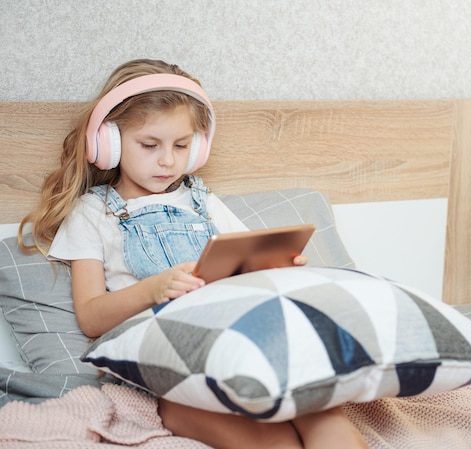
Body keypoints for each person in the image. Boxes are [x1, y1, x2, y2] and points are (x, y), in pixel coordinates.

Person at [18, 59, 369, 449]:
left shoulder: (204, 203)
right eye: (150, 145)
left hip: (233, 336)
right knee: (186, 410)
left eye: (181, 145)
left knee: (321, 411)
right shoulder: (92, 213)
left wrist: (276, 267)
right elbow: (90, 316)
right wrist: (154, 289)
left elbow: (246, 270)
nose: (168, 160)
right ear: (109, 142)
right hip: (163, 355)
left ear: (198, 146)